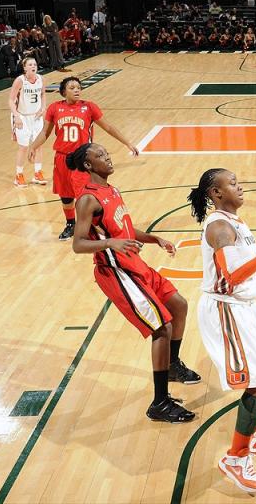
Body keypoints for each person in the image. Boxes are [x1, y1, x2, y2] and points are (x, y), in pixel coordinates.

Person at [67, 143, 200, 424]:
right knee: (161, 327)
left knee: (179, 306)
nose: (108, 157)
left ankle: (173, 366)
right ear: (89, 166)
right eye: (100, 156)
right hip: (116, 273)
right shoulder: (87, 199)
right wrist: (110, 243)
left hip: (135, 265)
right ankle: (160, 403)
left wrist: (154, 238)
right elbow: (78, 244)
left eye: (106, 152)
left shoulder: (110, 190)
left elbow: (124, 228)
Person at [188, 168, 256, 494]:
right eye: (232, 184)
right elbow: (233, 276)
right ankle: (236, 458)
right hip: (226, 309)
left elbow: (243, 266)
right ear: (216, 193)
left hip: (246, 306)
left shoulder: (236, 223)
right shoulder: (220, 227)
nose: (240, 187)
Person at [29, 77, 140, 240]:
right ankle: (71, 224)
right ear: (63, 92)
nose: (77, 90)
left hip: (82, 159)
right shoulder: (54, 108)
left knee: (85, 196)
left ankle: (95, 227)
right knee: (66, 196)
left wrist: (128, 143)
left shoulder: (89, 107)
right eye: (72, 87)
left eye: (78, 87)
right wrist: (33, 146)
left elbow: (108, 127)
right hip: (61, 158)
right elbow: (45, 132)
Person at [9, 57, 46, 187]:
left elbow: (42, 94)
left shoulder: (41, 79)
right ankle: (18, 175)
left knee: (38, 145)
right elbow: (10, 100)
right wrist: (17, 116)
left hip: (36, 117)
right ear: (24, 68)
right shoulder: (20, 81)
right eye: (30, 64)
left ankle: (37, 173)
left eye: (35, 64)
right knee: (23, 147)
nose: (33, 66)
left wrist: (43, 107)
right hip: (22, 117)